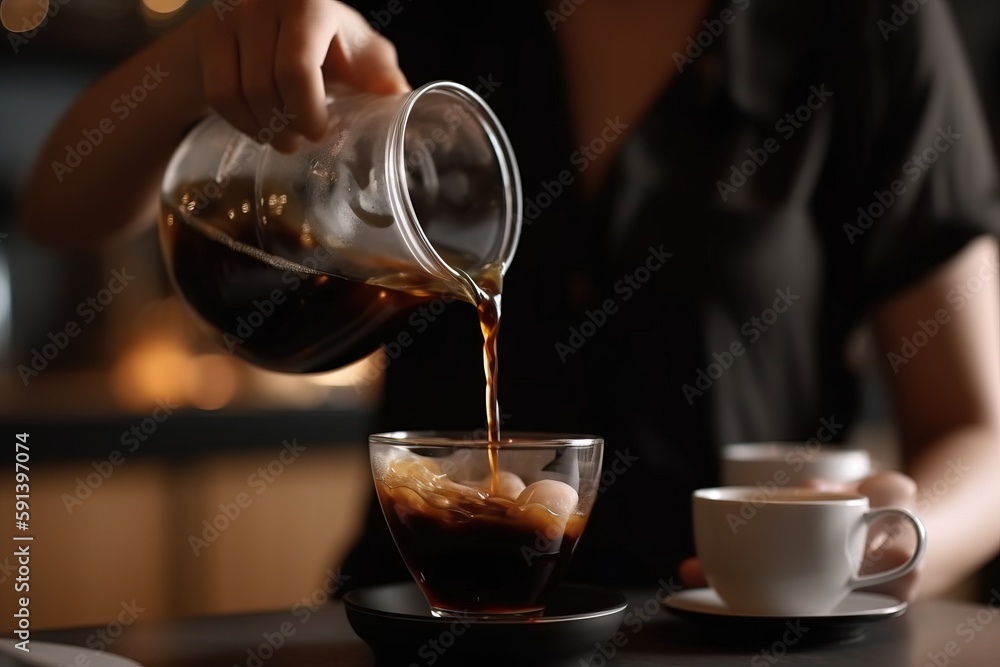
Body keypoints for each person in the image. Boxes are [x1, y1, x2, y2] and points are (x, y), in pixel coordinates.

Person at [21, 0, 1000, 602]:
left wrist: (883, 541)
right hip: (411, 627)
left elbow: (979, 430)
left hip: (727, 640)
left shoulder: (867, 25)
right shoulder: (406, 19)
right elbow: (60, 204)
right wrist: (219, 38)